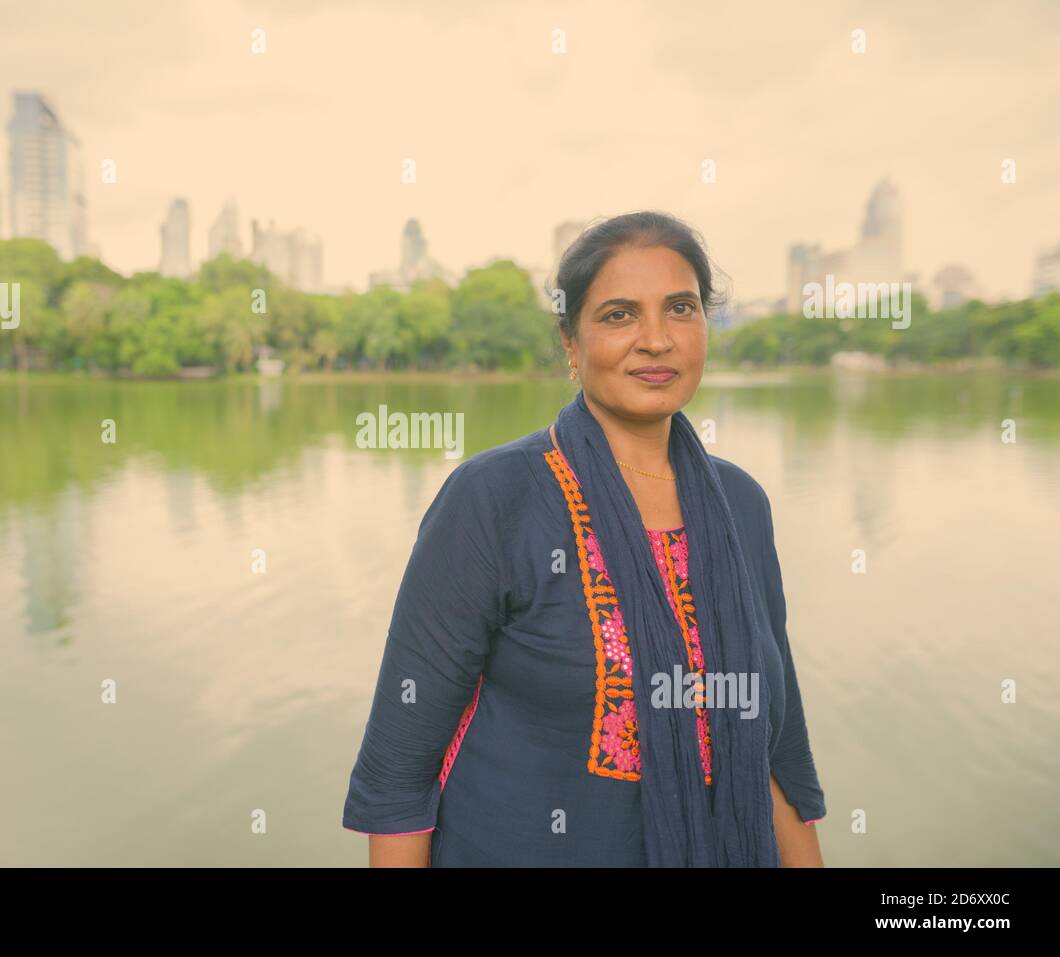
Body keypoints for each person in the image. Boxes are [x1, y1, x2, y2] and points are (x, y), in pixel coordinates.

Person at [341, 212, 826, 867]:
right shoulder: (495, 499)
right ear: (570, 343)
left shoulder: (740, 504)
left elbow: (778, 747)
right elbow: (399, 777)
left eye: (680, 308)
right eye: (620, 315)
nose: (656, 340)